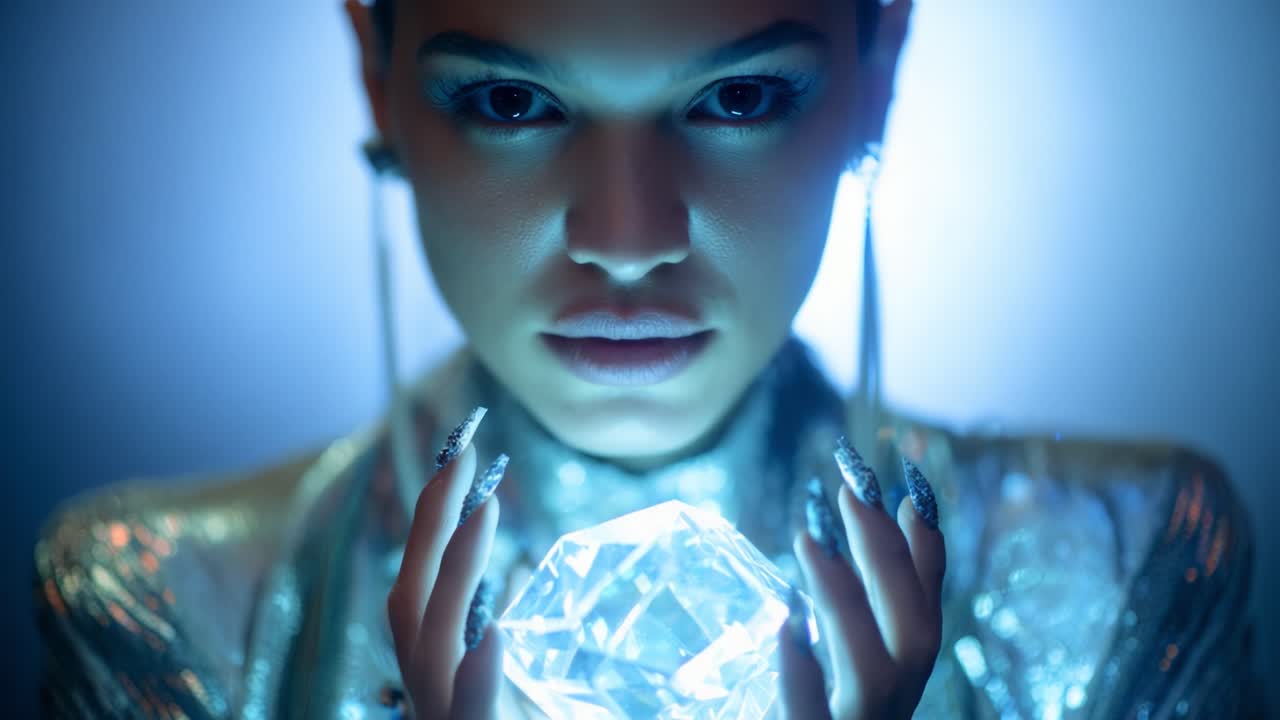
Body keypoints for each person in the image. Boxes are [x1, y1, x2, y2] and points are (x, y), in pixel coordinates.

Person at [32, 1, 1262, 718]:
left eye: (735, 99)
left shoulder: (1108, 574)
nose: (626, 242)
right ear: (375, 70)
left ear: (876, 70)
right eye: (512, 104)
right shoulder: (180, 607)